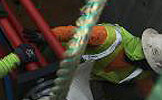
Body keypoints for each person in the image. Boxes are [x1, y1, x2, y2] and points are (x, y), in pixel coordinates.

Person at [27, 24, 161, 94]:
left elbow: (146, 91)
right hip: (55, 57)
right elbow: (75, 32)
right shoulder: (111, 36)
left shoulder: (141, 73)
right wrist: (46, 37)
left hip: (74, 79)